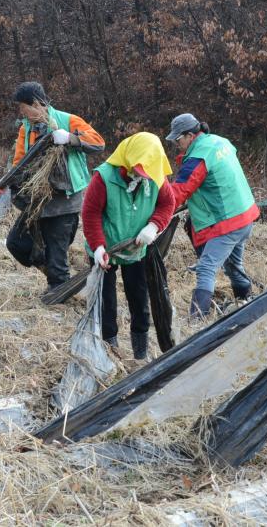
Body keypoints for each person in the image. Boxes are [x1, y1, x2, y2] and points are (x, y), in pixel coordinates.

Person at [1, 81, 105, 293]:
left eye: (24, 107)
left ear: (37, 104)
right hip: (38, 200)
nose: (21, 112)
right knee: (16, 242)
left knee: (57, 251)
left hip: (65, 200)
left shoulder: (68, 120)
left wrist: (70, 138)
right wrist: (11, 184)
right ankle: (58, 279)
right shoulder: (26, 129)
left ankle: (58, 290)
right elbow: (19, 162)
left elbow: (98, 142)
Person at [82, 132, 176, 361]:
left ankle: (140, 353)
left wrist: (153, 227)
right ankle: (110, 351)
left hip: (136, 250)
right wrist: (98, 247)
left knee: (139, 299)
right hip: (106, 251)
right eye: (138, 171)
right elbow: (90, 213)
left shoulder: (155, 177)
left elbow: (168, 203)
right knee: (106, 304)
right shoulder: (104, 178)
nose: (141, 177)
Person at [165, 113, 259, 318]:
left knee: (206, 268)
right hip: (245, 215)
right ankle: (246, 300)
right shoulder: (220, 141)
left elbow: (179, 191)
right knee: (234, 266)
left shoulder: (199, 156)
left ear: (190, 135)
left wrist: (158, 211)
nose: (176, 144)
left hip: (227, 221)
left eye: (178, 139)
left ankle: (197, 320)